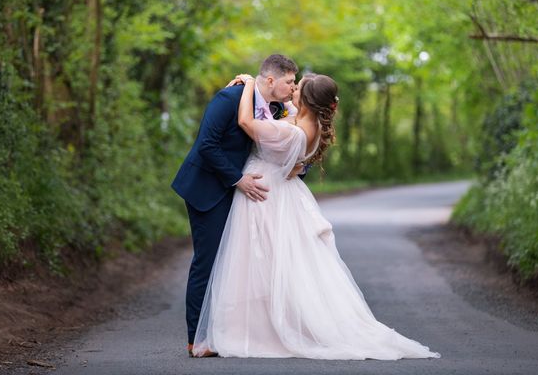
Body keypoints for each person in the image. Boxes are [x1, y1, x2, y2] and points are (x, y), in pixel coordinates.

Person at [191, 73, 442, 360]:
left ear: (308, 101)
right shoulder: (306, 120)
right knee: (270, 264)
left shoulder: (296, 131)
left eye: (298, 88)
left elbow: (247, 123)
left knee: (256, 262)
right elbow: (289, 140)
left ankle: (251, 331)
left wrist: (250, 82)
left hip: (265, 194)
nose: (293, 90)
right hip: (279, 192)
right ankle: (253, 325)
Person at [171, 54, 299, 357]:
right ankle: (196, 341)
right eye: (290, 82)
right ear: (271, 80)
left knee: (232, 264)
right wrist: (238, 180)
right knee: (208, 262)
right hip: (207, 189)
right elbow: (207, 144)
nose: (293, 87)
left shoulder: (276, 107)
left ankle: (223, 332)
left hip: (236, 193)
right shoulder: (229, 97)